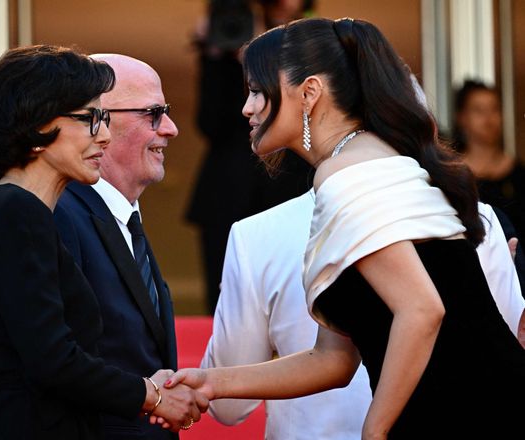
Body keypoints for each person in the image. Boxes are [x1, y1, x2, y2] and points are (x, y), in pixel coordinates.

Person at [164, 18, 525, 439]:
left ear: (310, 93)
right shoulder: (364, 161)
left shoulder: (347, 174)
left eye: (258, 91)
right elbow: (332, 360)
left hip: (466, 417)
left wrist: (375, 430)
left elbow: (423, 310)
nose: (246, 107)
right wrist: (212, 382)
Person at [0, 45, 207, 440]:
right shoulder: (15, 212)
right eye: (91, 119)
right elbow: (53, 361)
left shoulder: (25, 211)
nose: (104, 136)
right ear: (38, 125)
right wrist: (151, 394)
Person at [202, 189, 525, 439]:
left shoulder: (258, 235)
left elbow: (228, 409)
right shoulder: (474, 219)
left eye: (260, 96)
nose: (249, 108)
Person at [53, 54, 182, 440]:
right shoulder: (59, 214)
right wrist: (154, 397)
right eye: (153, 113)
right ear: (97, 120)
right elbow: (58, 361)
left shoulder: (123, 218)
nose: (171, 129)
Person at [185, 0, 314, 314]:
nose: (251, 106)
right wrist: (217, 58)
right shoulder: (225, 50)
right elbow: (210, 124)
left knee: (294, 295)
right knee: (226, 298)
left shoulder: (313, 45)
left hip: (290, 186)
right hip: (227, 193)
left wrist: (261, 55)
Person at [453, 79, 525, 240]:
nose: (488, 118)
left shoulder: (519, 174)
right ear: (462, 117)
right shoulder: (453, 176)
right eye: (479, 110)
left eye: (494, 109)